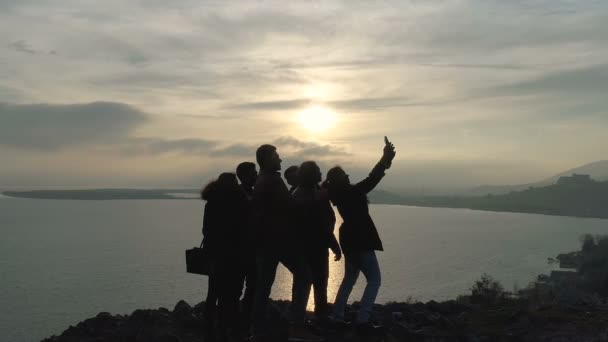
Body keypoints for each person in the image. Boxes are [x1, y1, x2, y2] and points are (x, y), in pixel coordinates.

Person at [324, 137, 396, 334]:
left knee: (349, 278)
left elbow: (370, 179)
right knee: (374, 279)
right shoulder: (352, 193)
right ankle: (363, 320)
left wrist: (385, 161)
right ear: (342, 180)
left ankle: (337, 316)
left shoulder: (338, 195)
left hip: (348, 238)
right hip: (361, 238)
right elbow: (371, 179)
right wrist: (385, 159)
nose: (349, 177)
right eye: (345, 176)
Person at [251, 144, 321, 342]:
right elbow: (291, 206)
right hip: (279, 240)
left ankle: (257, 330)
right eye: (276, 156)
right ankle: (296, 327)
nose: (280, 160)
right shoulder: (273, 180)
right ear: (266, 159)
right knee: (305, 276)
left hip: (265, 241)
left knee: (263, 286)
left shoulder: (260, 180)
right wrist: (313, 198)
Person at [201, 172, 250, 342]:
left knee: (213, 292)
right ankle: (229, 327)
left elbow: (206, 230)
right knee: (232, 294)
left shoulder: (211, 203)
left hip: (215, 254)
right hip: (235, 255)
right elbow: (244, 229)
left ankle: (210, 329)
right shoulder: (240, 202)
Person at [292, 161, 342, 324]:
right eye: (318, 171)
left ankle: (315, 316)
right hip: (312, 246)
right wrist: (334, 245)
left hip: (311, 245)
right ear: (311, 175)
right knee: (312, 281)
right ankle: (304, 320)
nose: (321, 173)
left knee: (316, 281)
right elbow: (321, 225)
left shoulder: (308, 192)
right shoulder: (308, 196)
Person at [235, 161, 258, 335]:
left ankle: (243, 323)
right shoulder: (239, 195)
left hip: (250, 248)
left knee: (251, 287)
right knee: (239, 288)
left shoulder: (251, 192)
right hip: (241, 250)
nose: (256, 176)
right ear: (243, 176)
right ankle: (238, 325)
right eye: (253, 173)